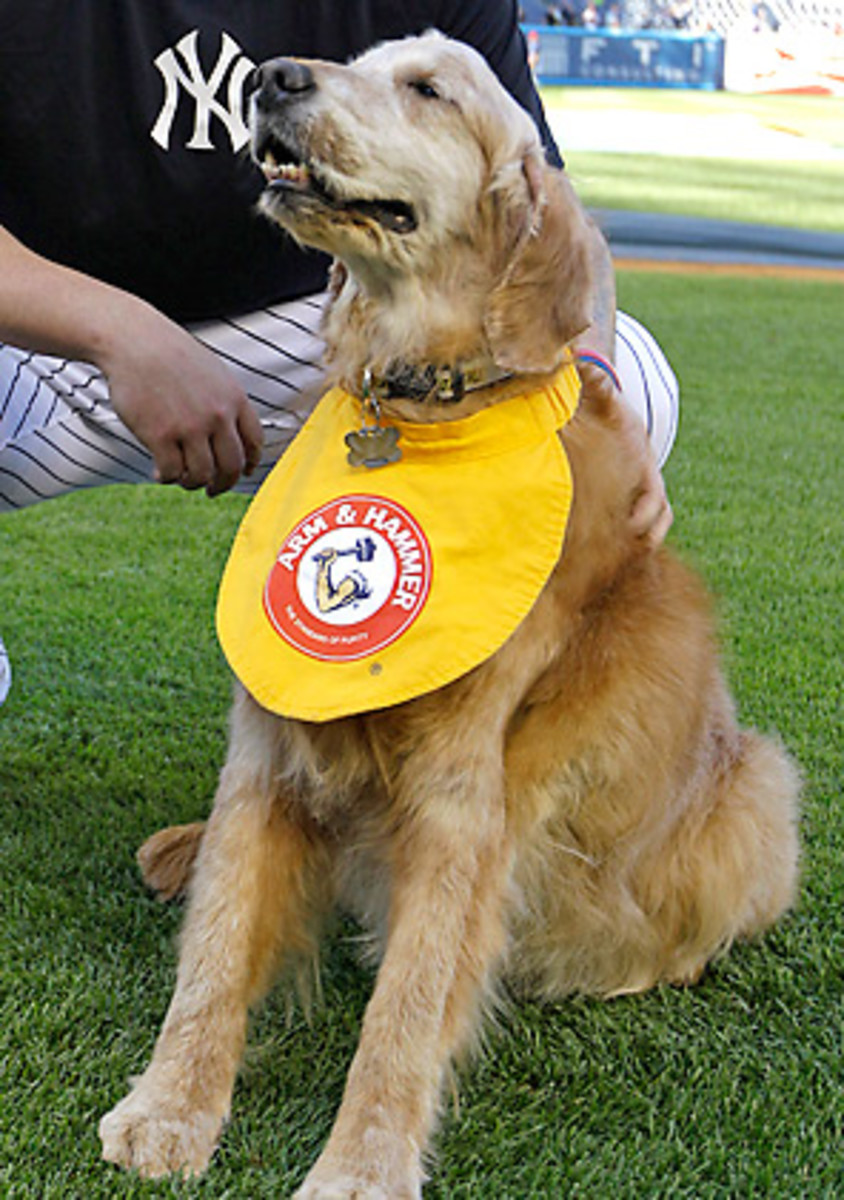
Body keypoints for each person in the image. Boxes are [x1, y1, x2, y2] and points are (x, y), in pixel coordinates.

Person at [0, 0, 677, 706]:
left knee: (622, 385)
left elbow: (542, 202)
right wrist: (120, 331)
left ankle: (463, 691)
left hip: (319, 337)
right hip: (46, 338)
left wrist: (594, 384)